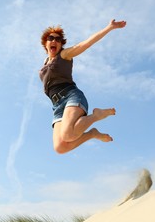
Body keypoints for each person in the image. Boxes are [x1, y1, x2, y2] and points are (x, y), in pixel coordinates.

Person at [39, 19, 126, 154]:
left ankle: (96, 115)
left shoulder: (64, 55)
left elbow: (85, 44)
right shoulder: (44, 63)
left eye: (58, 39)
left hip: (71, 97)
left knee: (68, 135)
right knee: (60, 147)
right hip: (57, 107)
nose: (54, 41)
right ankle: (92, 134)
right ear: (45, 43)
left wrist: (109, 27)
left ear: (61, 44)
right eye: (51, 38)